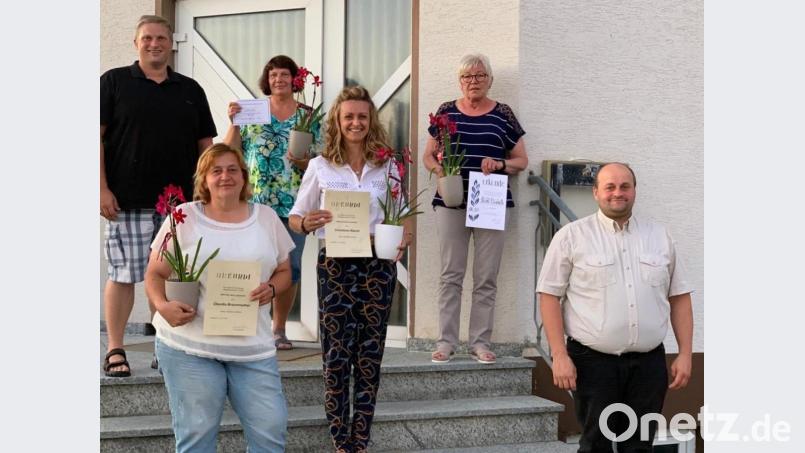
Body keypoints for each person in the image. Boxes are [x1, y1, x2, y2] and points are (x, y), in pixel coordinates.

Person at [145, 143, 293, 453]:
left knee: (271, 429)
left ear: (243, 176)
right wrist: (162, 306)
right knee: (197, 436)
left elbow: (283, 271)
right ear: (204, 179)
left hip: (253, 349)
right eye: (216, 170)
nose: (225, 176)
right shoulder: (184, 216)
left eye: (232, 169)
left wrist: (273, 289)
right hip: (190, 346)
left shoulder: (265, 217)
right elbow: (154, 274)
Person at [536, 162, 694, 452]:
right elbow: (548, 295)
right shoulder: (572, 237)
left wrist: (685, 353)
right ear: (596, 192)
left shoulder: (660, 236)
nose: (617, 193)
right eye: (609, 186)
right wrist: (559, 355)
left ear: (634, 191)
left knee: (640, 445)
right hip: (593, 363)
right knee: (596, 444)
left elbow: (680, 296)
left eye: (625, 186)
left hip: (648, 365)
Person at [288, 85, 412, 453]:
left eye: (361, 116)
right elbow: (295, 217)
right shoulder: (319, 165)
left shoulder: (387, 166)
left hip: (377, 266)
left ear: (370, 120)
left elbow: (403, 215)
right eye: (348, 117)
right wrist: (308, 223)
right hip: (335, 266)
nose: (355, 123)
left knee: (370, 355)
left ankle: (361, 439)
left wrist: (404, 240)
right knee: (337, 356)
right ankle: (341, 439)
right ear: (337, 123)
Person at [100, 15, 216, 377]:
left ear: (171, 43)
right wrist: (100, 188)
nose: (155, 44)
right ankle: (116, 348)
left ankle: (164, 348)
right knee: (123, 275)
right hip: (126, 200)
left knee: (170, 277)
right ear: (136, 43)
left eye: (161, 38)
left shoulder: (190, 89)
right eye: (147, 38)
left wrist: (206, 196)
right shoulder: (113, 82)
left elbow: (206, 147)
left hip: (180, 207)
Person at [422, 53, 529, 364]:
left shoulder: (503, 114)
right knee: (451, 274)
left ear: (490, 80)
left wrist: (500, 164)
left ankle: (480, 342)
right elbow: (429, 155)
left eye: (480, 76)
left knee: (486, 277)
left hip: (491, 202)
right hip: (451, 201)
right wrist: (440, 172)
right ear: (460, 81)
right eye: (468, 77)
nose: (474, 82)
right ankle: (446, 342)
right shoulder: (446, 111)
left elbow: (521, 161)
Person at [224, 55, 322, 351]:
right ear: (266, 80)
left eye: (284, 75)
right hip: (256, 201)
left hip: (294, 204)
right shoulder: (252, 110)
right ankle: (246, 326)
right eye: (273, 75)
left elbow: (320, 161)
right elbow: (229, 151)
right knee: (252, 264)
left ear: (295, 80)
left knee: (289, 267)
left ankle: (278, 328)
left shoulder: (308, 115)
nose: (278, 80)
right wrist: (233, 122)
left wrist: (304, 161)